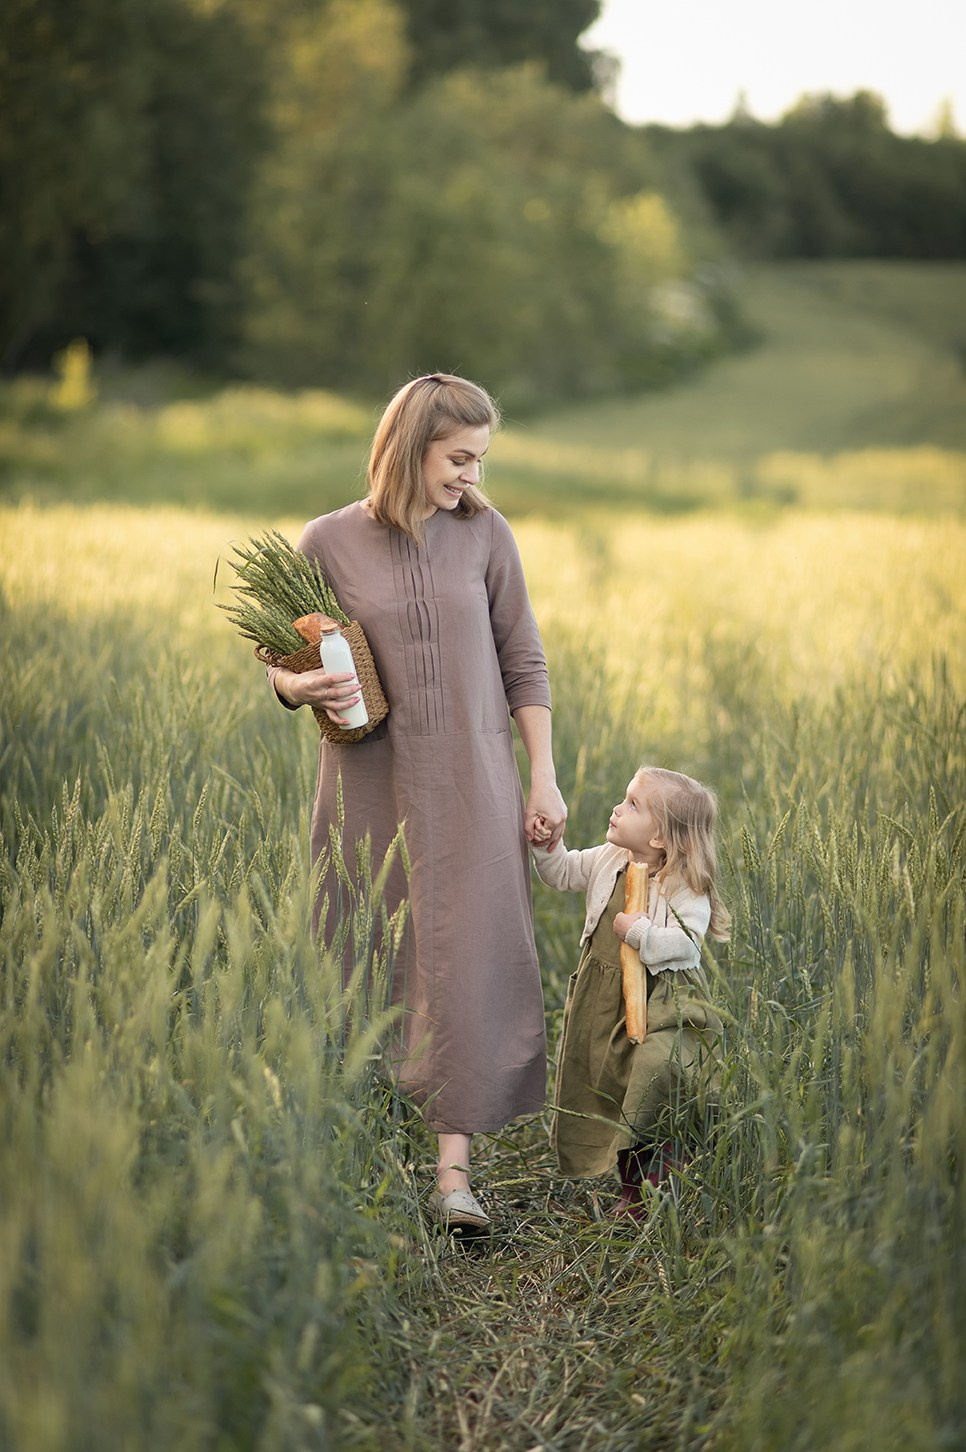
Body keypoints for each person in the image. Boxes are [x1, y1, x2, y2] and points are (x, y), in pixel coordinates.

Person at [268, 373, 567, 1232]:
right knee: (366, 948)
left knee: (465, 954)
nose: (473, 475)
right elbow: (277, 659)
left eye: (480, 459)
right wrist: (299, 686)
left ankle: (453, 1174)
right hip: (369, 785)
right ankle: (356, 1149)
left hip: (475, 780)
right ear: (410, 448)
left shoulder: (487, 536)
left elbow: (526, 662)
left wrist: (541, 775)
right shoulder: (326, 541)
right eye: (459, 458)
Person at [530, 766, 729, 1221]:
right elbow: (562, 872)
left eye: (633, 805)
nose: (618, 809)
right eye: (625, 799)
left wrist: (638, 932)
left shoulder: (685, 886)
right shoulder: (609, 857)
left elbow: (687, 946)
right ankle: (632, 1186)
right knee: (614, 1084)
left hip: (662, 1001)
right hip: (604, 999)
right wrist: (546, 847)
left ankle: (658, 1179)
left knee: (652, 1076)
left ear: (660, 838)